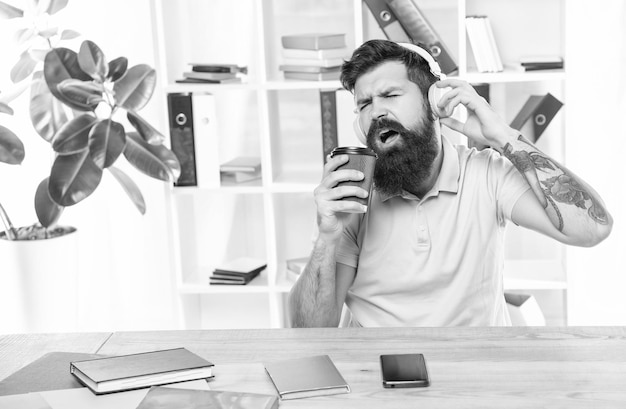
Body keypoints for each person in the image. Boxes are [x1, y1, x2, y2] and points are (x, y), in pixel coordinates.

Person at [288, 39, 613, 328]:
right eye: (364, 104)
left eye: (389, 94)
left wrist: (502, 137)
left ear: (435, 103)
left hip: (474, 372)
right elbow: (309, 330)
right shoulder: (355, 197)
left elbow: (592, 228)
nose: (375, 112)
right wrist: (326, 237)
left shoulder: (487, 174)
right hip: (377, 375)